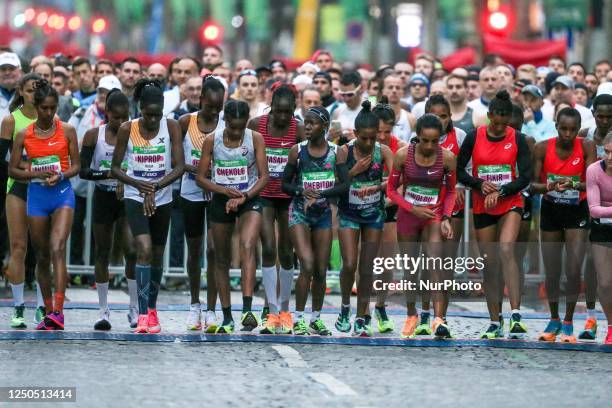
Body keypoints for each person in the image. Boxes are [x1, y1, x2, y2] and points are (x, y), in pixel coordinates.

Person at [111, 79, 185, 334]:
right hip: (134, 194)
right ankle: (142, 314)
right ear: (140, 109)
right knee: (142, 248)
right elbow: (115, 167)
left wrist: (155, 186)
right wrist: (139, 185)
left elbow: (179, 166)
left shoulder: (172, 126)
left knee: (155, 253)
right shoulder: (126, 129)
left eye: (157, 115)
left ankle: (152, 309)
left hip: (162, 195)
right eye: (148, 114)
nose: (153, 120)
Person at [457, 90, 532, 339]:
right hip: (483, 205)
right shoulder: (473, 137)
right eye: (495, 122)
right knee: (489, 263)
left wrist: (502, 191)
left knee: (507, 249)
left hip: (510, 201)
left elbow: (525, 177)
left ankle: (516, 314)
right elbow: (459, 171)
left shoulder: (518, 138)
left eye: (504, 123)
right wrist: (479, 184)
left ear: (509, 119)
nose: (499, 127)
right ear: (489, 116)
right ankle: (494, 320)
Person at [8, 79, 80, 330]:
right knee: (41, 255)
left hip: (62, 194)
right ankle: (47, 309)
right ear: (35, 107)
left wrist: (61, 174)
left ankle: (58, 311)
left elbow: (76, 166)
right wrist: (35, 174)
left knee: (57, 247)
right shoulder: (23, 134)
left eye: (52, 108)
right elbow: (13, 169)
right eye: (44, 109)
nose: (48, 113)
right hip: (37, 196)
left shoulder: (67, 130)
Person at [196, 99, 269, 333]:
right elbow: (201, 177)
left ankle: (247, 310)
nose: (237, 132)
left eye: (241, 127)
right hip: (222, 198)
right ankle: (227, 316)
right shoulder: (212, 140)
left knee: (248, 245)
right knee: (220, 257)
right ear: (224, 120)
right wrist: (222, 190)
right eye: (232, 127)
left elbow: (264, 176)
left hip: (249, 197)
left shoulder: (254, 138)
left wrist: (244, 197)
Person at [386, 113, 457, 339]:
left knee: (435, 263)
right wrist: (412, 208)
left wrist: (446, 217)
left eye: (435, 141)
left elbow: (452, 191)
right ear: (417, 137)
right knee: (411, 269)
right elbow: (390, 190)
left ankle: (438, 319)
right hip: (409, 215)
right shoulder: (401, 156)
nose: (429, 145)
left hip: (433, 216)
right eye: (425, 140)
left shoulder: (447, 158)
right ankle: (411, 315)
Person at [281, 105, 349, 335]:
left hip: (322, 214)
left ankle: (316, 318)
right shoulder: (297, 151)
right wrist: (302, 192)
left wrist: (320, 194)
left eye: (313, 123)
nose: (307, 127)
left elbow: (344, 185)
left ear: (326, 127)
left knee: (320, 269)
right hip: (299, 212)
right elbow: (285, 184)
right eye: (305, 122)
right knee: (307, 265)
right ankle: (298, 318)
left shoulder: (336, 151)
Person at [530, 108, 596, 343]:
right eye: (563, 129)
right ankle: (554, 318)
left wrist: (574, 185)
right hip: (551, 209)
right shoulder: (541, 147)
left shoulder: (587, 146)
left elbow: (592, 181)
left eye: (572, 130)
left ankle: (568, 321)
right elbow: (531, 185)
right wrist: (550, 186)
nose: (568, 134)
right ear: (556, 126)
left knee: (573, 267)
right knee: (553, 268)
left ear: (578, 129)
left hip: (577, 209)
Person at [247, 84, 304, 334]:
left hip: (288, 195)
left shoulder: (299, 129)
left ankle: (284, 308)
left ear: (294, 110)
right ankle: (271, 310)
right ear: (271, 107)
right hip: (264, 193)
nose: (282, 117)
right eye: (278, 111)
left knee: (287, 251)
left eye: (287, 112)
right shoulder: (256, 125)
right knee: (269, 248)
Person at [79, 90, 138, 330]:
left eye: (125, 119)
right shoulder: (94, 136)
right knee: (102, 251)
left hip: (127, 197)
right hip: (104, 196)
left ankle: (134, 308)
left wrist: (126, 181)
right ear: (107, 115)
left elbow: (139, 166)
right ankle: (103, 310)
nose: (121, 123)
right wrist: (110, 174)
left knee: (131, 250)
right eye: (116, 119)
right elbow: (83, 171)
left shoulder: (135, 136)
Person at [335, 101, 393, 336]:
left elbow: (397, 180)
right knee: (349, 263)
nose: (369, 143)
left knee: (367, 266)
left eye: (373, 138)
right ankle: (345, 307)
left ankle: (361, 317)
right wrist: (353, 171)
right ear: (356, 133)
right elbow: (336, 185)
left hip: (373, 214)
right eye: (364, 138)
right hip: (349, 212)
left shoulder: (384, 152)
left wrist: (387, 185)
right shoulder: (344, 151)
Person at [0, 73, 46, 328]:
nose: (34, 96)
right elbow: (1, 159)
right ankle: (18, 308)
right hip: (18, 187)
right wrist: (23, 166)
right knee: (18, 247)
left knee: (42, 249)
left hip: (43, 188)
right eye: (29, 91)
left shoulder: (51, 119)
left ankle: (41, 306)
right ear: (20, 92)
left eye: (38, 91)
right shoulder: (11, 121)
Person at [179, 76, 225, 332]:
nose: (214, 111)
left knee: (214, 249)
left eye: (218, 108)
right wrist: (199, 173)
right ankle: (194, 305)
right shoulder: (187, 122)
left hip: (216, 192)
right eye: (210, 107)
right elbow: (177, 159)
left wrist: (212, 178)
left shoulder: (226, 124)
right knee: (194, 251)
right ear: (201, 100)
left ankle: (211, 309)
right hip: (191, 191)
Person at [368, 97, 408, 333]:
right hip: (363, 207)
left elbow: (402, 185)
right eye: (377, 131)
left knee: (386, 261)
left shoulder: (400, 147)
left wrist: (385, 200)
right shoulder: (361, 144)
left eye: (386, 131)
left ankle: (380, 306)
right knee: (365, 259)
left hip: (390, 208)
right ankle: (361, 310)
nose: (381, 136)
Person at [577, 93, 612, 340]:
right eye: (600, 115)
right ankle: (591, 317)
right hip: (586, 204)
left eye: (609, 116)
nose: (605, 120)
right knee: (595, 271)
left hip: (599, 201)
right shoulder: (584, 136)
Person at [585, 131, 612, 345]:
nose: (610, 157)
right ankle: (611, 327)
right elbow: (594, 209)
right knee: (604, 283)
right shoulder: (593, 170)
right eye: (607, 152)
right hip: (601, 230)